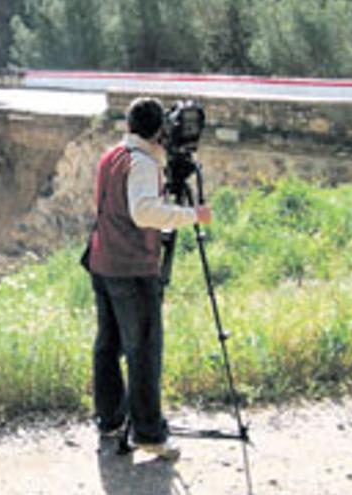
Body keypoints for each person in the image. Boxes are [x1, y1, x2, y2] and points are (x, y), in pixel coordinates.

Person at [87, 97, 212, 460]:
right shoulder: (142, 164)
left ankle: (110, 419)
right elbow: (144, 213)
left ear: (128, 126)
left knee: (108, 345)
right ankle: (148, 433)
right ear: (160, 130)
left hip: (103, 261)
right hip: (131, 268)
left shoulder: (112, 156)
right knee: (144, 350)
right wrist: (193, 215)